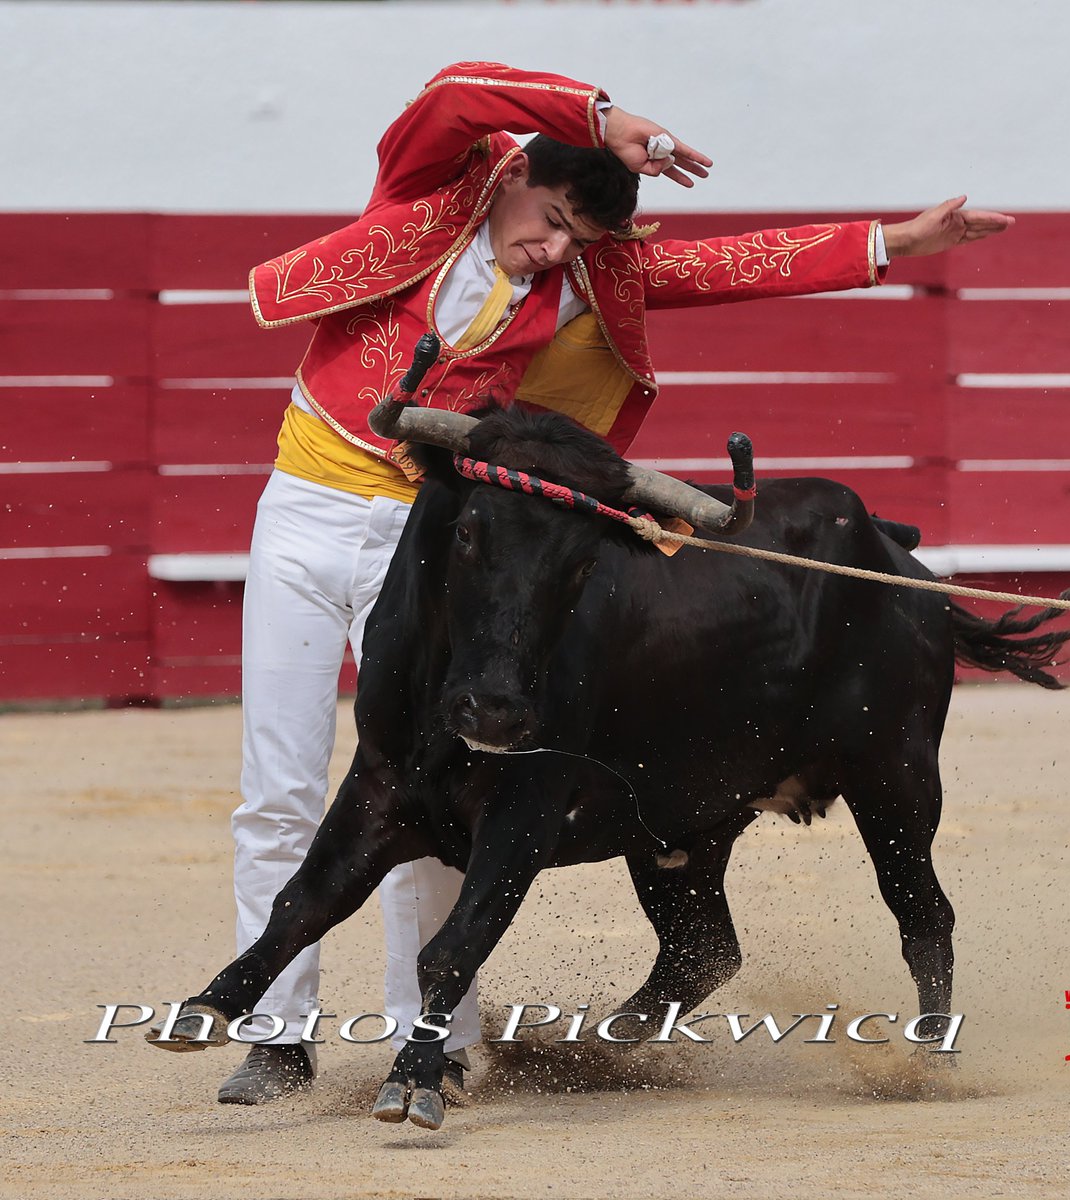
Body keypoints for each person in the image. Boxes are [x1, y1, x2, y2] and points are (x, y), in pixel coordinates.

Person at [223, 60, 1014, 1106]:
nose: (553, 248)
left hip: (435, 542)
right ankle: (276, 1037)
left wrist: (894, 243)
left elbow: (735, 264)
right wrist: (602, 115)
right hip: (305, 512)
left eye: (576, 238)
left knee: (423, 784)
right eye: (548, 216)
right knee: (276, 790)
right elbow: (455, 92)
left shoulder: (591, 279)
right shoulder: (422, 198)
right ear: (509, 179)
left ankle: (439, 1037)